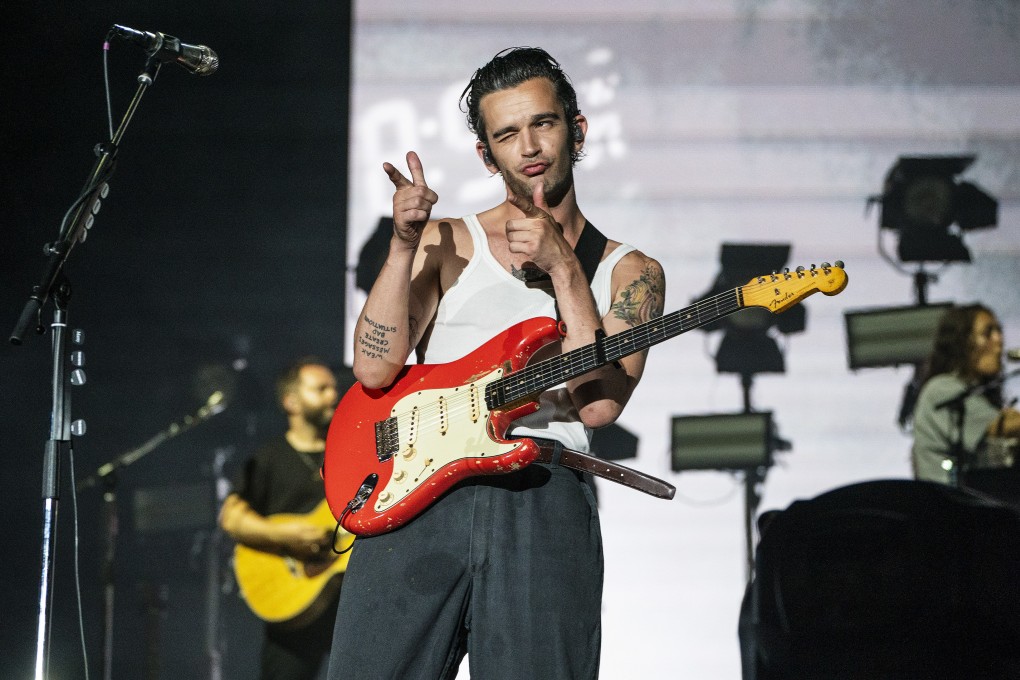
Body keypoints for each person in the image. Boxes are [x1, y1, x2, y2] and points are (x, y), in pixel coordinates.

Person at [327, 47, 665, 679]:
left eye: (543, 123)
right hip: (419, 491)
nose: (529, 147)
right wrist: (403, 245)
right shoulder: (447, 240)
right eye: (507, 134)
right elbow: (374, 371)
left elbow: (598, 404)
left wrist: (566, 267)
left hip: (540, 495)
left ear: (578, 129)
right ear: (487, 155)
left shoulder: (630, 272)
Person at [220, 357, 342, 680]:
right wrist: (288, 538)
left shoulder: (347, 452)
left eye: (334, 388)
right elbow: (231, 518)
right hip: (292, 605)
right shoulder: (268, 457)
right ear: (291, 401)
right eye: (321, 389)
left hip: (347, 603)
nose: (333, 396)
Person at [911, 304, 1020, 485]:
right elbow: (1004, 427)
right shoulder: (941, 389)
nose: (998, 340)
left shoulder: (977, 393)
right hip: (947, 505)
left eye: (999, 331)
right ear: (961, 342)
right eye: (988, 333)